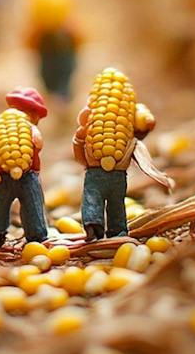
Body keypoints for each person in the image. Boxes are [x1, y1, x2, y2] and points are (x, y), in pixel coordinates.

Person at [71, 71, 168, 240]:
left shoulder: (133, 113)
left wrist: (145, 123)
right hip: (96, 171)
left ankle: (116, 230)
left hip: (117, 172)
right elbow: (79, 153)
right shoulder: (89, 115)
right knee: (93, 197)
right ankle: (94, 227)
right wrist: (79, 139)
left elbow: (143, 127)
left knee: (115, 203)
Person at [0, 87, 49, 247]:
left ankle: (37, 236)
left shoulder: (33, 133)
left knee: (33, 206)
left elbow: (37, 148)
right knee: (0, 208)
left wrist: (36, 142)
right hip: (3, 178)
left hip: (28, 177)